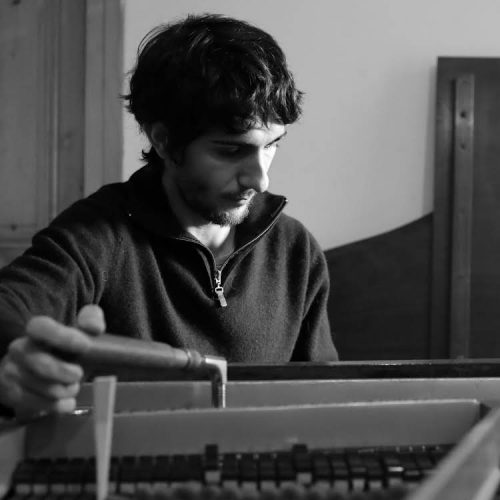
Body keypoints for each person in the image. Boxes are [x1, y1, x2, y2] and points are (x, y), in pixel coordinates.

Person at [0, 14, 338, 418]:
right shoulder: (98, 235)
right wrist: (18, 361)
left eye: (271, 145)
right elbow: (9, 307)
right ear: (163, 140)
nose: (260, 179)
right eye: (231, 150)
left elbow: (324, 402)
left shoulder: (296, 250)